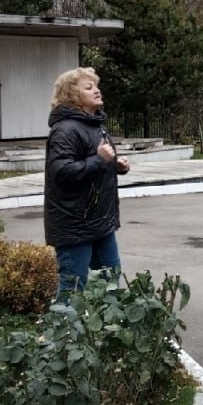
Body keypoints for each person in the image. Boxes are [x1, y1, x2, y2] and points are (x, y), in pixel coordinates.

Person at [44, 67, 130, 296]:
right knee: (72, 289)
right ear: (72, 95)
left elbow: (93, 164)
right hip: (74, 225)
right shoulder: (65, 130)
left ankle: (105, 321)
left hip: (101, 222)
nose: (97, 90)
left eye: (96, 86)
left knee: (110, 281)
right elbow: (62, 172)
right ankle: (62, 320)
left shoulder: (95, 124)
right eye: (89, 87)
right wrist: (100, 160)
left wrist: (115, 165)